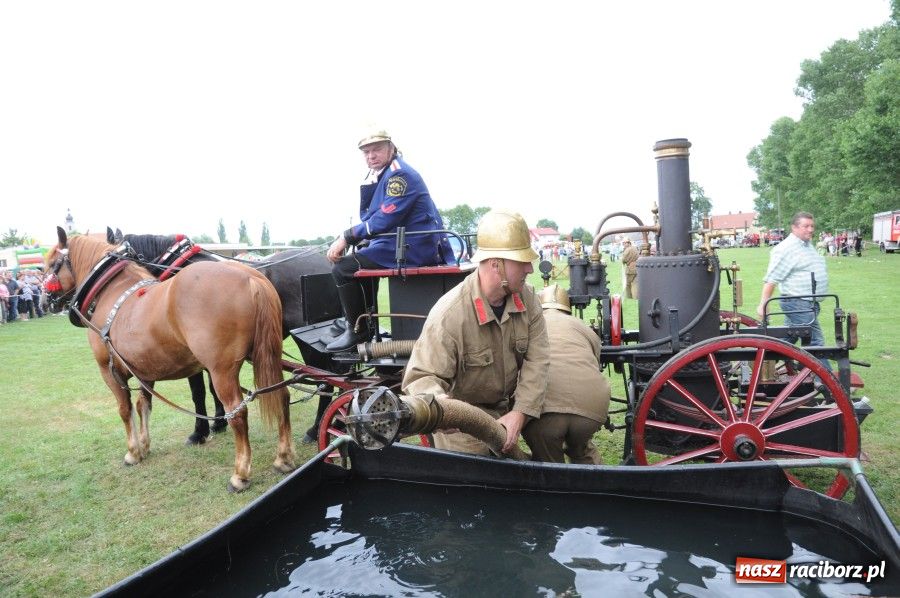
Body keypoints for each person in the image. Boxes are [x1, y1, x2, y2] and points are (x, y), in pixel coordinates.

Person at [402, 209, 550, 456]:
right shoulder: (451, 314)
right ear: (496, 265)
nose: (529, 269)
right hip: (466, 422)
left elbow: (538, 361)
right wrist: (442, 408)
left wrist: (520, 413)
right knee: (480, 472)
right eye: (522, 261)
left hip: (512, 406)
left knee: (551, 432)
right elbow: (421, 377)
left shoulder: (529, 300)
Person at [325, 130, 448, 351]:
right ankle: (365, 323)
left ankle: (358, 330)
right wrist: (358, 239)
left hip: (411, 247)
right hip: (397, 242)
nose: (371, 156)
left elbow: (385, 218)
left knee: (342, 269)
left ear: (391, 148)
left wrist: (347, 236)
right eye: (366, 152)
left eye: (377, 150)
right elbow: (374, 218)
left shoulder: (399, 176)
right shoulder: (384, 174)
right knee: (358, 261)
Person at [522, 284, 610, 464]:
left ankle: (557, 487)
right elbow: (595, 360)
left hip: (543, 412)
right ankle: (600, 486)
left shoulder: (528, 325)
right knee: (581, 447)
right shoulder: (583, 327)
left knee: (549, 463)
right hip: (591, 408)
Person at [757, 211, 831, 370]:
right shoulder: (786, 248)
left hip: (808, 302)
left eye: (812, 226)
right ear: (794, 228)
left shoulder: (806, 245)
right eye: (806, 226)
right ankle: (830, 386)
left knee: (788, 339)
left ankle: (762, 368)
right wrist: (763, 303)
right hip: (797, 302)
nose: (810, 229)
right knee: (815, 342)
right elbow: (772, 278)